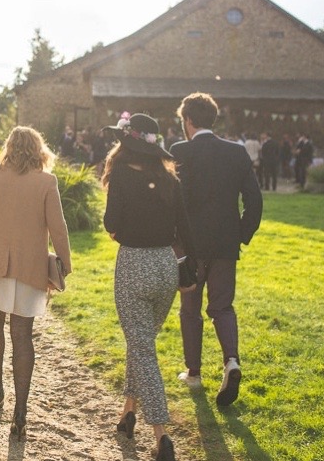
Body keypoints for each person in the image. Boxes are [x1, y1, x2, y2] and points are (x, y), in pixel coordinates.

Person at [0, 126, 72, 440]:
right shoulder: (46, 182)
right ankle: (20, 413)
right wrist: (65, 264)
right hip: (29, 267)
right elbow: (58, 228)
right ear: (39, 150)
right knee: (22, 336)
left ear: (8, 148)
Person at [101, 113, 195, 461]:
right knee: (140, 342)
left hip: (134, 265)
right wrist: (191, 269)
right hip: (166, 267)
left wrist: (119, 229)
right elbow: (185, 226)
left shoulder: (122, 174)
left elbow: (111, 222)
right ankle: (128, 414)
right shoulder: (170, 177)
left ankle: (161, 435)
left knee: (142, 348)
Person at [171, 93, 262, 407]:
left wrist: (173, 240)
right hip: (225, 244)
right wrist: (241, 234)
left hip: (190, 245)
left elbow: (173, 202)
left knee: (190, 308)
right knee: (222, 307)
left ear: (188, 121)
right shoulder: (236, 152)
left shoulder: (179, 151)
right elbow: (255, 201)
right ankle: (231, 361)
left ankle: (194, 373)